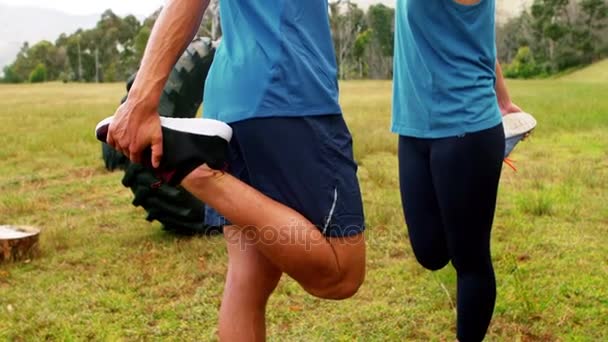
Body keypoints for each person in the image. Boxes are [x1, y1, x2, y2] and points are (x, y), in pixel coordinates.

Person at [104, 0, 366, 340]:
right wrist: (141, 98)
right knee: (341, 274)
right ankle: (194, 171)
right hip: (289, 91)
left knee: (250, 277)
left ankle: (195, 169)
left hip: (231, 100)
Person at [392, 1, 523, 341]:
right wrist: (505, 99)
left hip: (466, 128)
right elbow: (473, 37)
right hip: (414, 126)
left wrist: (498, 104)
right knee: (430, 252)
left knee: (471, 259)